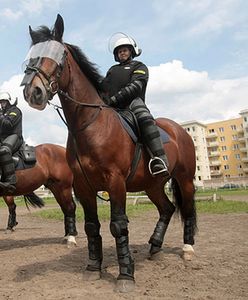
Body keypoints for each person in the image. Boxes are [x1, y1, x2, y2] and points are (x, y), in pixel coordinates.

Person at [101, 33, 169, 176]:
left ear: (131, 51)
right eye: (119, 51)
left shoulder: (139, 66)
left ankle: (159, 159)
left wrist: (114, 99)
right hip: (113, 108)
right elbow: (103, 88)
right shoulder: (112, 70)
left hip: (133, 103)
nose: (122, 53)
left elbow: (136, 86)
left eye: (124, 50)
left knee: (145, 118)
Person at [0, 92, 23, 192]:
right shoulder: (3, 113)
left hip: (14, 136)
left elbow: (7, 124)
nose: (2, 104)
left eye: (4, 102)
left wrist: (0, 115)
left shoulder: (15, 111)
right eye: (0, 102)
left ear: (9, 101)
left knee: (3, 151)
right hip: (3, 138)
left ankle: (11, 181)